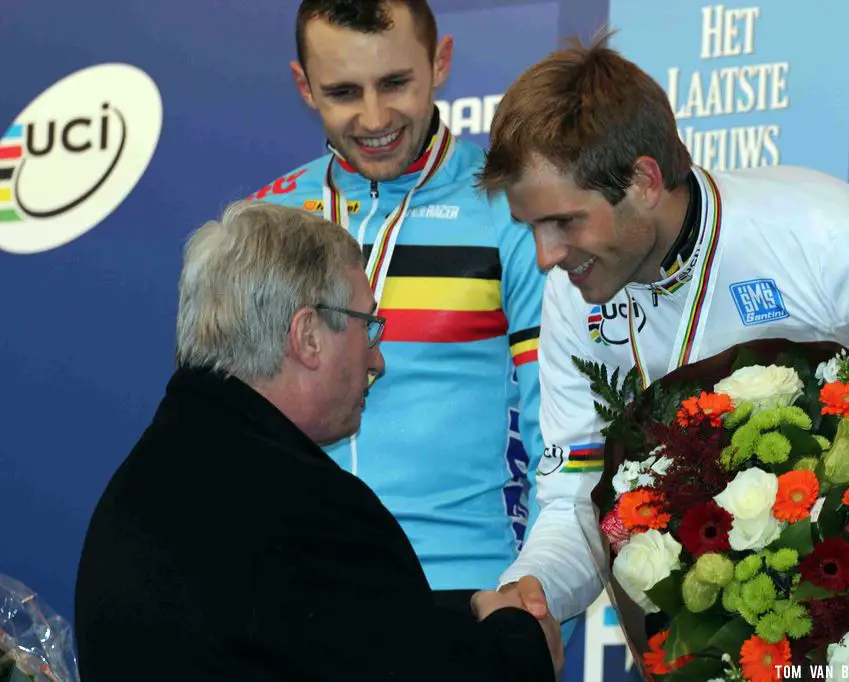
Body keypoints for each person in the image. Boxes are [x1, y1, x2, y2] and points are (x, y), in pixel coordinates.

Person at [474, 32, 849, 622]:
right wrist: (527, 593)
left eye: (564, 221)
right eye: (529, 226)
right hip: (715, 640)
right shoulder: (571, 292)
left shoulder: (837, 239)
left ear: (643, 180)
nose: (544, 256)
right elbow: (575, 502)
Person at [73, 201, 562, 682]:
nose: (378, 361)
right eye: (368, 326)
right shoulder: (306, 508)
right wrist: (521, 639)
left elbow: (342, 628)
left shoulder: (152, 478)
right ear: (307, 336)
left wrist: (472, 607)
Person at [245, 0, 552, 623]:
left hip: (467, 591)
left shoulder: (508, 210)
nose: (375, 117)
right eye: (343, 92)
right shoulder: (263, 223)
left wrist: (539, 592)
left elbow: (562, 427)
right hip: (295, 596)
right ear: (304, 86)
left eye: (394, 83)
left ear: (440, 63)